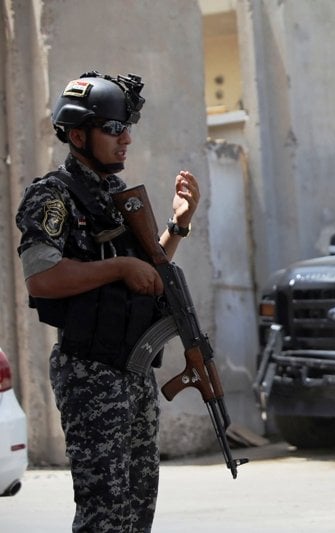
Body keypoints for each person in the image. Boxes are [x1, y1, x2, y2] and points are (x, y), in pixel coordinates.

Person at [15, 71, 200, 532]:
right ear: (78, 135)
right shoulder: (52, 196)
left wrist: (177, 227)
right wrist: (118, 268)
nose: (126, 140)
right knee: (104, 514)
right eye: (114, 129)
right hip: (91, 371)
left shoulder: (118, 195)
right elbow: (42, 277)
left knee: (138, 508)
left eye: (126, 128)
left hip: (133, 367)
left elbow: (147, 271)